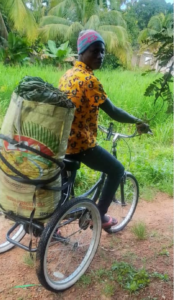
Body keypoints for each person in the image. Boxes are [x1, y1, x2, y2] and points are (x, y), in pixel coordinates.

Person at [59, 30, 150, 229]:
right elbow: (114, 111)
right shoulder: (89, 80)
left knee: (64, 188)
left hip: (62, 141)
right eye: (95, 51)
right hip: (80, 144)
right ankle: (98, 216)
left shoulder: (68, 74)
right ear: (82, 52)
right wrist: (137, 121)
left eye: (102, 52)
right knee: (116, 169)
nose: (100, 56)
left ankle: (56, 219)